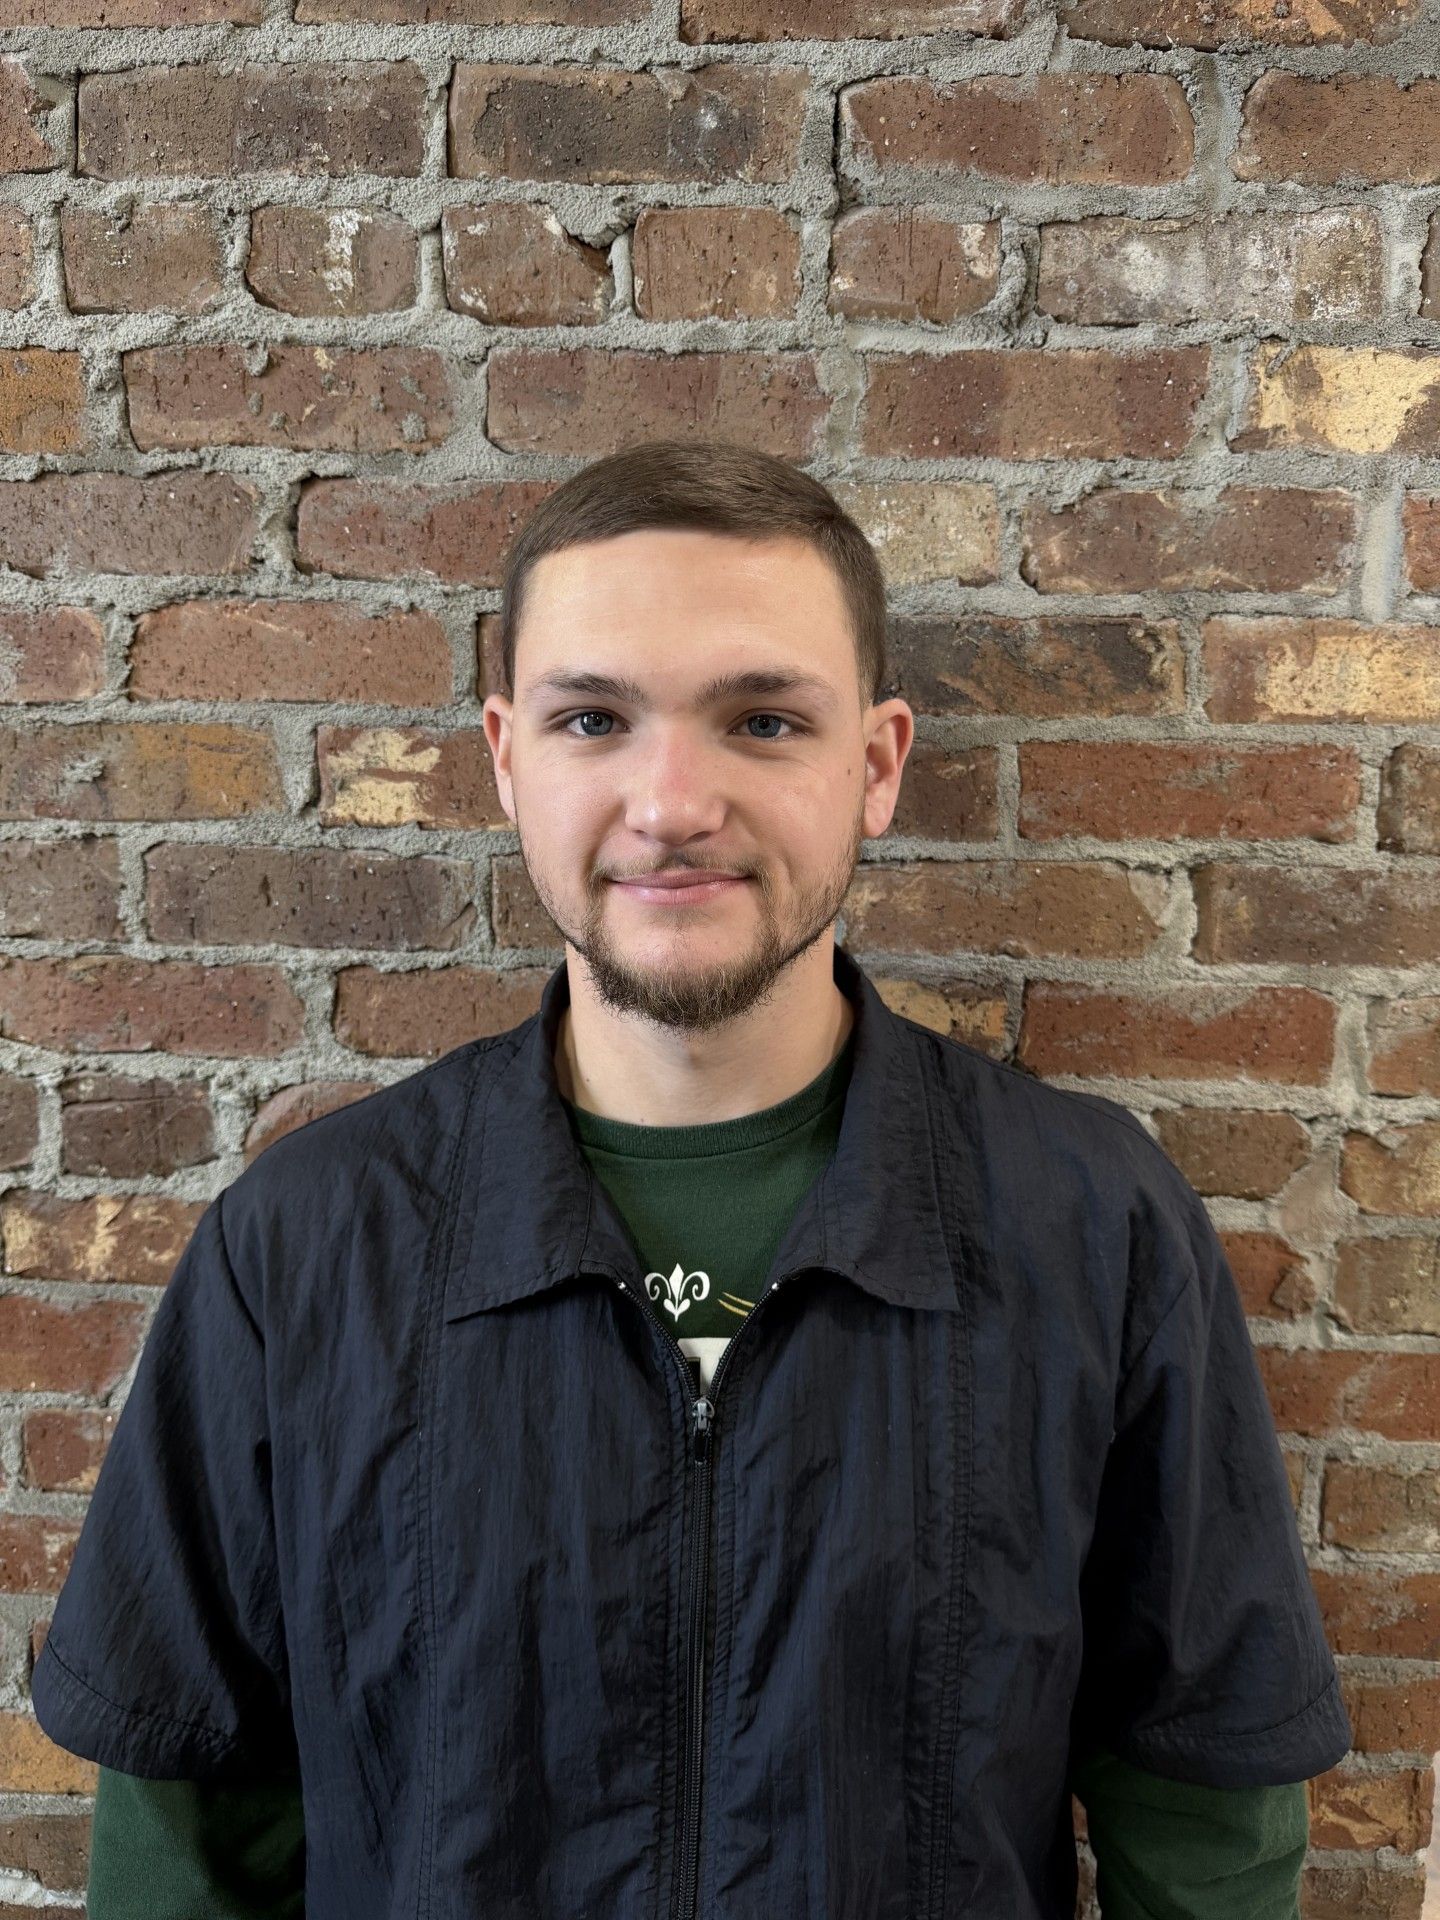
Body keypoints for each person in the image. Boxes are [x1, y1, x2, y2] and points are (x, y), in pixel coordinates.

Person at [33, 440, 1351, 1920]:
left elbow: (1206, 1812)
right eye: (594, 719)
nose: (671, 803)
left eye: (763, 721)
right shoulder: (304, 1250)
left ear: (876, 767)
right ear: (507, 758)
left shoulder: (1093, 1227)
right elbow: (187, 1835)